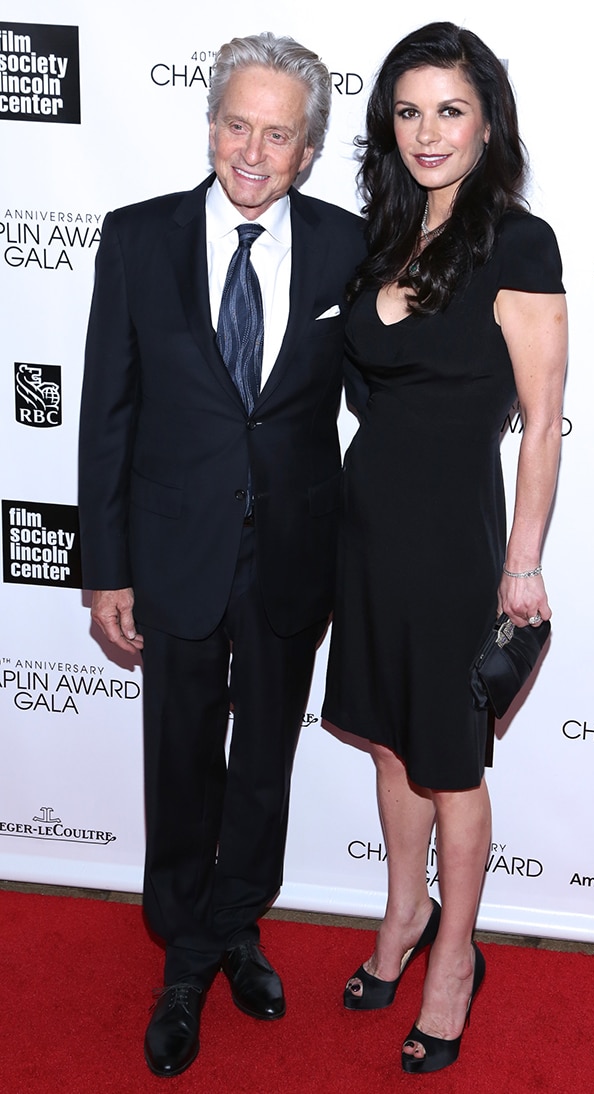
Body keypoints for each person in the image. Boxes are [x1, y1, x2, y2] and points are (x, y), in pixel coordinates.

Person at [78, 31, 364, 1078]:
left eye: (278, 133)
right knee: (180, 759)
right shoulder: (138, 237)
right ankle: (186, 955)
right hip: (172, 548)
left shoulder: (347, 246)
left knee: (262, 768)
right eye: (237, 124)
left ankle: (230, 926)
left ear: (307, 147)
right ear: (210, 123)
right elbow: (106, 412)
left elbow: (379, 394)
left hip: (293, 548)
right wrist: (105, 567)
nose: (252, 150)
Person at [323, 22, 567, 1075]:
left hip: (457, 542)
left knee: (450, 764)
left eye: (450, 110)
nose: (427, 131)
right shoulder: (378, 235)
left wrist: (521, 563)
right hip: (367, 525)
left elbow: (544, 419)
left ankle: (453, 959)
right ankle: (400, 915)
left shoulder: (519, 241)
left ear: (486, 123)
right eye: (409, 109)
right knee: (386, 739)